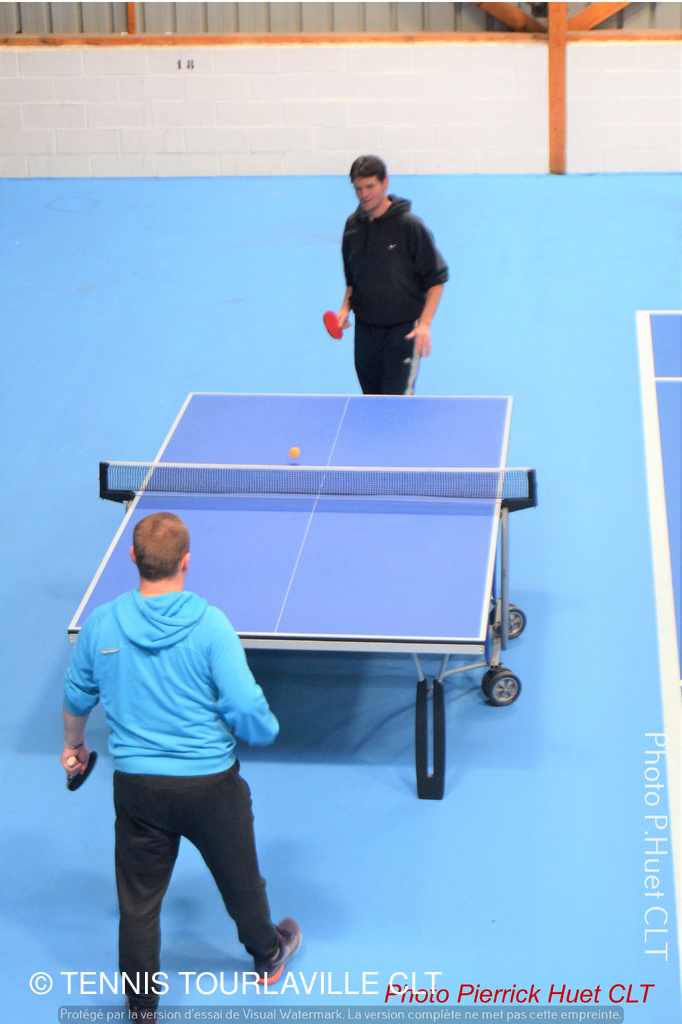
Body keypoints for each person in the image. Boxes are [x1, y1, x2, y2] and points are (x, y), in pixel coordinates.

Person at [61, 512, 300, 1021]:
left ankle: (142, 1007)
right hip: (211, 788)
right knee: (241, 881)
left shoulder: (101, 624)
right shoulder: (212, 625)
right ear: (186, 562)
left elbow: (77, 694)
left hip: (138, 789)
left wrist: (74, 745)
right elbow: (245, 707)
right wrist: (263, 730)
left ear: (133, 558)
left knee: (139, 903)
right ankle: (267, 953)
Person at [335, 154, 449, 396]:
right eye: (358, 188)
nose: (364, 194)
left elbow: (436, 278)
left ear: (385, 182)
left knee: (397, 406)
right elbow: (352, 279)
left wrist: (424, 324)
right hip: (365, 334)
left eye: (370, 186)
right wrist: (345, 308)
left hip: (402, 332)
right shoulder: (352, 227)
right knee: (371, 401)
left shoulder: (410, 226)